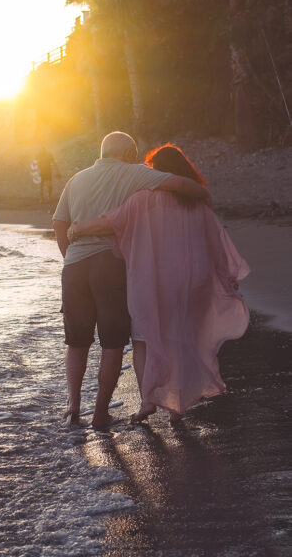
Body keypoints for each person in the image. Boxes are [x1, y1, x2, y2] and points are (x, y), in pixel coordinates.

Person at [67, 143, 250, 423]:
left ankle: (148, 402)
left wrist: (78, 229)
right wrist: (226, 276)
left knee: (143, 340)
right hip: (194, 279)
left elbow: (109, 223)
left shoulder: (143, 199)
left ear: (158, 173)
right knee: (183, 339)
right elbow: (216, 240)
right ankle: (178, 407)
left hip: (154, 279)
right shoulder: (196, 202)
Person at [52, 132, 212, 429]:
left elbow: (60, 222)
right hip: (110, 265)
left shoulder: (76, 180)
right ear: (127, 154)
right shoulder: (134, 174)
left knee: (76, 342)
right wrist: (203, 193)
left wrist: (68, 256)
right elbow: (179, 184)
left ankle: (73, 405)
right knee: (112, 344)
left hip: (74, 267)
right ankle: (100, 413)